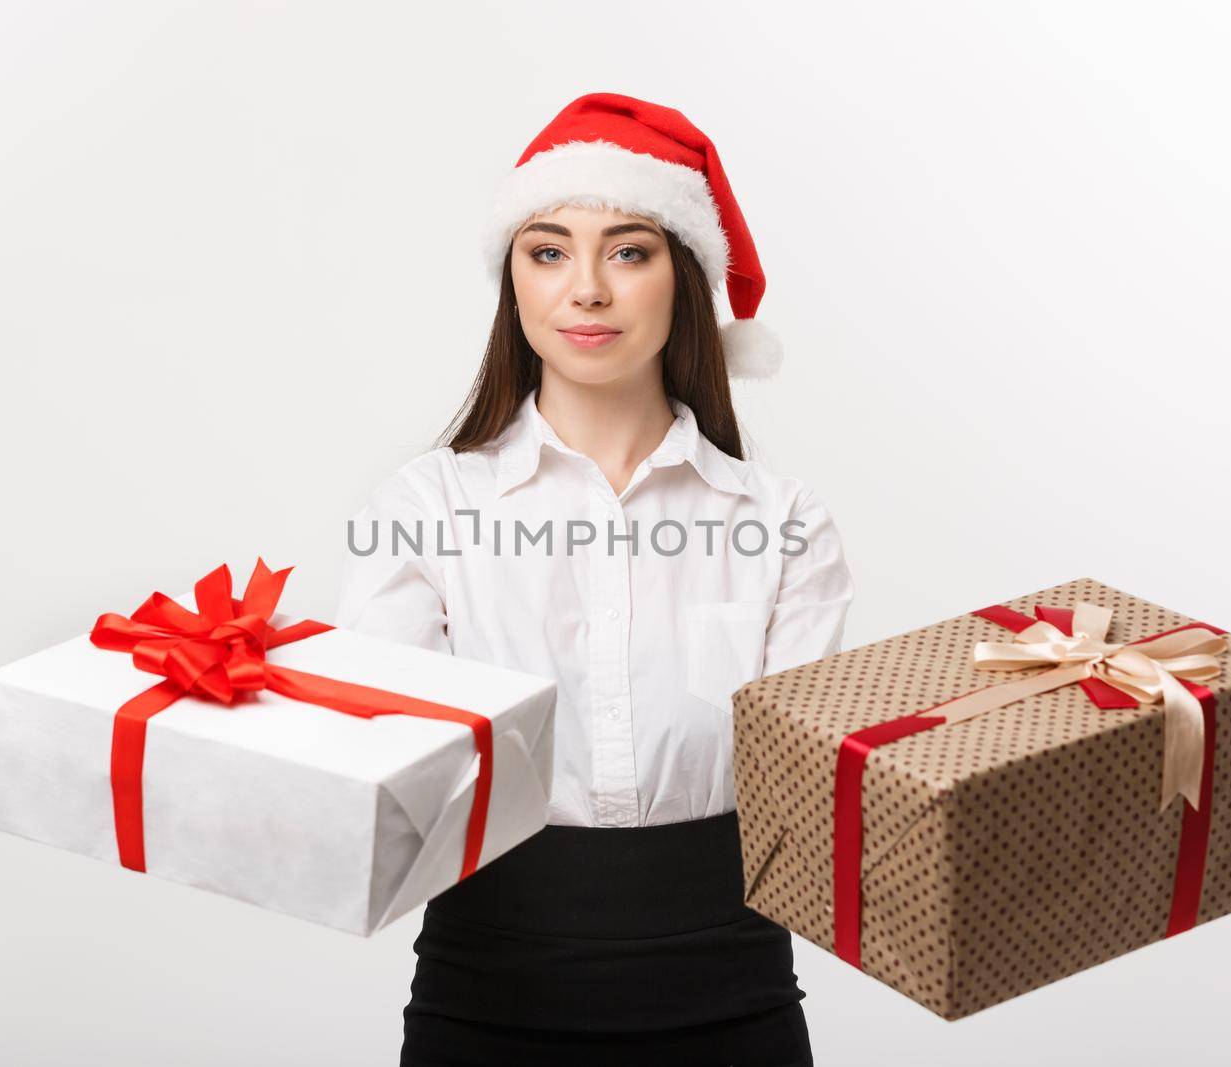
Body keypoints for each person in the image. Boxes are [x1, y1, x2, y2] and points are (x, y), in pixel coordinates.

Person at [334, 92, 854, 1067]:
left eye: (627, 250)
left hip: (729, 995)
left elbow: (805, 800)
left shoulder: (782, 526)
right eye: (546, 250)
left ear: (682, 277)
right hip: (486, 995)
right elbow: (386, 761)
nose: (585, 289)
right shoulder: (425, 506)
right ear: (514, 280)